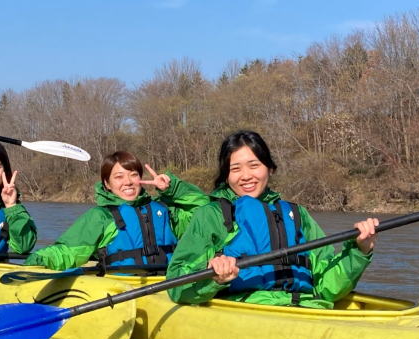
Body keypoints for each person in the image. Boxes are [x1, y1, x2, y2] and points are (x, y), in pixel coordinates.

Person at [165, 131, 379, 307]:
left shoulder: (296, 214)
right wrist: (211, 275)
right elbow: (176, 286)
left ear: (270, 168)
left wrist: (359, 251)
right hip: (246, 311)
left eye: (254, 165)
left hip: (306, 308)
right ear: (226, 175)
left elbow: (327, 287)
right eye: (235, 169)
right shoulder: (211, 215)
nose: (246, 176)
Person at [25, 150, 208, 273]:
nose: (128, 182)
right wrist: (38, 261)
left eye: (133, 175)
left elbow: (204, 210)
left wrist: (173, 189)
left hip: (166, 287)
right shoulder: (101, 217)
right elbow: (67, 252)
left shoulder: (165, 210)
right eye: (118, 177)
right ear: (107, 184)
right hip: (122, 292)